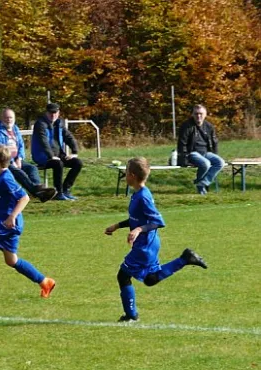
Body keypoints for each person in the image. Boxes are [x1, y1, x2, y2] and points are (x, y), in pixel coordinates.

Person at [104, 157, 208, 322]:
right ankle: (186, 258)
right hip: (147, 244)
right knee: (150, 279)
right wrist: (117, 226)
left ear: (132, 175)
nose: (124, 175)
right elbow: (137, 219)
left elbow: (158, 222)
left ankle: (131, 316)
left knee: (123, 275)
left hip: (145, 246)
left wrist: (138, 230)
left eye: (126, 172)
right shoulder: (138, 194)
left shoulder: (143, 197)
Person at [0, 144, 56, 298]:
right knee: (11, 260)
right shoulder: (1, 178)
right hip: (11, 224)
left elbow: (24, 197)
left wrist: (12, 216)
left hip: (6, 222)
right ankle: (45, 281)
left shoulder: (6, 178)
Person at [0, 108, 57, 202]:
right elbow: (1, 150)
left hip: (16, 159)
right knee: (18, 172)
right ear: (1, 118)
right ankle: (37, 191)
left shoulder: (15, 129)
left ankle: (38, 190)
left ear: (14, 118)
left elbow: (21, 145)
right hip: (3, 162)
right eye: (6, 117)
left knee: (32, 168)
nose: (9, 120)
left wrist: (19, 158)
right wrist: (12, 161)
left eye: (11, 118)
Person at [31, 103, 83, 201]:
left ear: (58, 113)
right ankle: (58, 193)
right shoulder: (40, 124)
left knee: (77, 163)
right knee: (58, 163)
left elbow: (69, 137)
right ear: (46, 112)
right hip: (42, 156)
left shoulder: (60, 123)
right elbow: (43, 142)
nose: (53, 115)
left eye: (55, 113)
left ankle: (66, 189)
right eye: (51, 113)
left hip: (58, 155)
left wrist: (74, 152)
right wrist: (51, 156)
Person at [177, 104, 225, 195]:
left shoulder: (209, 126)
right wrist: (184, 159)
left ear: (205, 114)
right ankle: (201, 187)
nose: (198, 116)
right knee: (206, 164)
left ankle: (203, 183)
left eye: (201, 114)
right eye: (196, 114)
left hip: (206, 153)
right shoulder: (186, 126)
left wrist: (215, 154)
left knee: (220, 162)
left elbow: (214, 142)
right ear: (192, 114)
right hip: (192, 153)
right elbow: (182, 143)